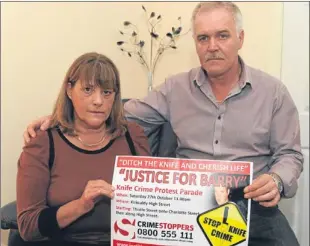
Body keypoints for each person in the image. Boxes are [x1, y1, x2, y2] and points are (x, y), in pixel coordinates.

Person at [23, 2, 303, 246]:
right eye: (203, 38)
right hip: (188, 212)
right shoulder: (175, 89)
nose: (212, 46)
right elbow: (115, 110)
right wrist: (63, 116)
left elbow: (289, 155)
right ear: (195, 43)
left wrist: (276, 181)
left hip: (252, 209)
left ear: (240, 38)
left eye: (222, 36)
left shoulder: (273, 92)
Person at [17, 52, 150, 246]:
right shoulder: (43, 143)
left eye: (107, 92)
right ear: (69, 90)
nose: (98, 101)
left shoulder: (133, 136)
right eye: (88, 89)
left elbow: (154, 201)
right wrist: (81, 205)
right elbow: (28, 226)